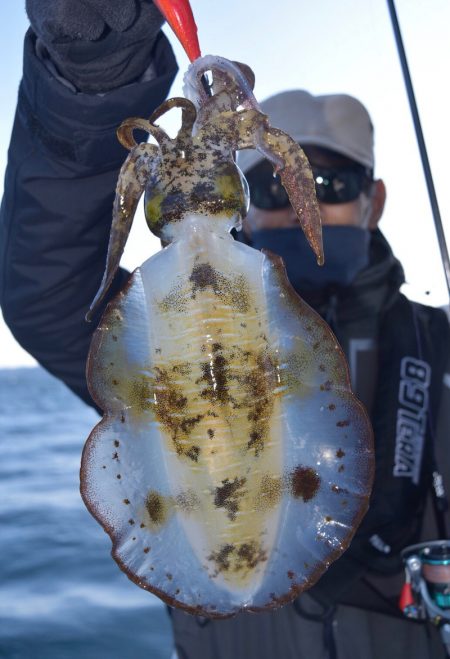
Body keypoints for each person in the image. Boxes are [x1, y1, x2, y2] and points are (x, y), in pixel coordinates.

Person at [1, 4, 449, 658]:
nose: (307, 203)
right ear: (239, 191)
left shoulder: (439, 353)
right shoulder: (151, 320)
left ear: (373, 198)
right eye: (275, 184)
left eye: (334, 182)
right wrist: (94, 80)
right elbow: (46, 287)